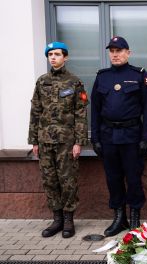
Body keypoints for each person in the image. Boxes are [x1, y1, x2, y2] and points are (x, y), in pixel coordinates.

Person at [91, 36, 147, 237]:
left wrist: (146, 138)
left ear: (128, 53)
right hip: (108, 136)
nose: (115, 54)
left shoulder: (139, 76)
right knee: (113, 178)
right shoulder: (102, 77)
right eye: (112, 51)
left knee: (133, 177)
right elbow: (95, 110)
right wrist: (95, 138)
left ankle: (135, 217)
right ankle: (119, 218)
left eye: (119, 50)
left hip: (132, 136)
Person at [28, 41, 88, 238]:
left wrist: (79, 142)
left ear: (66, 57)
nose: (53, 57)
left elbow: (81, 113)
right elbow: (35, 111)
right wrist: (34, 141)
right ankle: (57, 219)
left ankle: (69, 220)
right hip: (45, 141)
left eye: (57, 54)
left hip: (66, 142)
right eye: (50, 54)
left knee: (68, 181)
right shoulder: (41, 81)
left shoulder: (74, 82)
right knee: (50, 181)